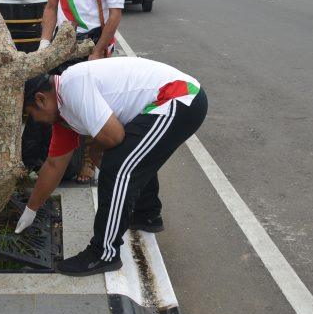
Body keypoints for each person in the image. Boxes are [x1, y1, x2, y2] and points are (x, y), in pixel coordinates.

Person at [19, 57, 208, 276]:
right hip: (174, 99)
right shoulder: (64, 112)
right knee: (134, 156)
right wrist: (31, 210)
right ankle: (146, 214)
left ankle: (103, 253)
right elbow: (54, 165)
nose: (37, 120)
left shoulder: (72, 86)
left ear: (41, 99)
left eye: (32, 114)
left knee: (118, 169)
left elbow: (114, 137)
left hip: (178, 98)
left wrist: (96, 149)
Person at [38, 0, 125, 183]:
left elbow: (115, 14)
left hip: (95, 42)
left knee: (92, 104)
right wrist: (44, 45)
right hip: (64, 43)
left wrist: (97, 51)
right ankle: (58, 156)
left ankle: (88, 158)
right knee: (60, 100)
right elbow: (51, 6)